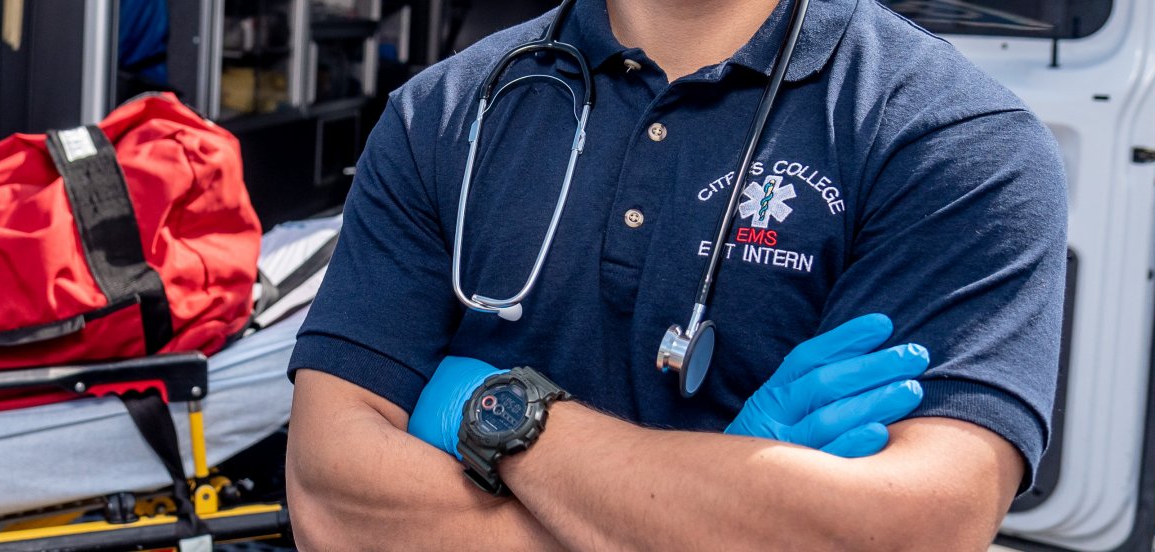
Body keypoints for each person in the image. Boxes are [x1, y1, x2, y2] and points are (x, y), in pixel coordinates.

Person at [284, 0, 1067, 549]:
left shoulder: (951, 142)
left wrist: (500, 415)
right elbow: (330, 496)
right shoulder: (444, 113)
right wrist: (719, 521)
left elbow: (912, 529)